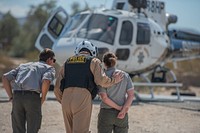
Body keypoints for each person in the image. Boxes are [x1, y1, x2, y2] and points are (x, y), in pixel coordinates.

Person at [54, 40, 124, 133]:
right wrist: (114, 80)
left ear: (78, 51)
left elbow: (56, 88)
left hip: (66, 99)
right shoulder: (94, 61)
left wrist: (63, 100)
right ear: (92, 51)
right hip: (82, 98)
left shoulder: (67, 62)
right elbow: (100, 80)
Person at [2, 48, 56, 133]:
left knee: (17, 129)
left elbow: (5, 77)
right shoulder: (48, 68)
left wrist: (11, 97)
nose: (54, 63)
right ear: (49, 59)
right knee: (33, 128)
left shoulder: (23, 65)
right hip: (32, 98)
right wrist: (43, 98)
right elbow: (46, 81)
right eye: (54, 60)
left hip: (17, 96)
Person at [98, 52, 134, 133]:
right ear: (115, 62)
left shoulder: (102, 77)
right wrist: (123, 109)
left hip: (106, 113)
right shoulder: (125, 75)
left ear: (104, 63)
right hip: (122, 114)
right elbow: (131, 95)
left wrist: (119, 108)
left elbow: (104, 98)